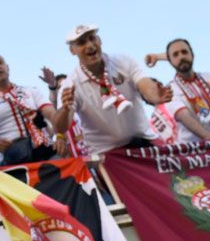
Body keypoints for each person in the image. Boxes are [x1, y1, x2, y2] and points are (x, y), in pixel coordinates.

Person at [53, 24, 173, 156]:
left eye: (92, 38)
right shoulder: (69, 84)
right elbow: (61, 127)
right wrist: (65, 109)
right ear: (72, 51)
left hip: (146, 141)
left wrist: (156, 95)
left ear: (100, 40)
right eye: (82, 42)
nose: (90, 45)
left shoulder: (124, 61)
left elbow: (145, 85)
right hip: (107, 154)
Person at [0, 51, 59, 165]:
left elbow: (53, 115)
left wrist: (60, 136)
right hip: (15, 162)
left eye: (0, 62)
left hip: (48, 152)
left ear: (7, 67)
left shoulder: (31, 91)